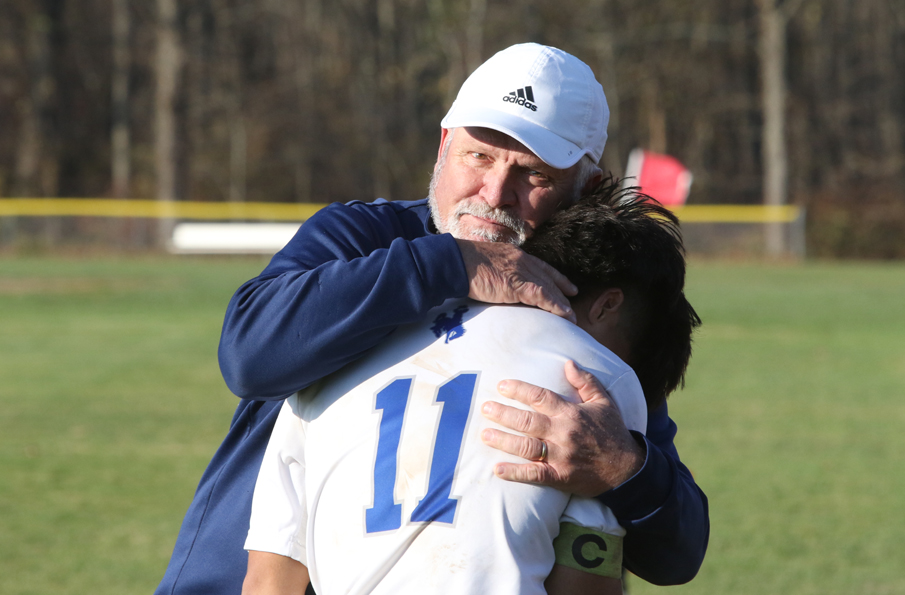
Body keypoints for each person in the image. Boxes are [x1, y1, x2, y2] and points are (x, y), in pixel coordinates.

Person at [155, 43, 708, 595]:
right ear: (444, 147)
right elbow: (250, 356)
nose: (495, 194)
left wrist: (622, 467)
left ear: (585, 190)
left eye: (532, 174)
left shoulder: (592, 315)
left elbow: (678, 551)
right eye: (479, 156)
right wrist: (452, 263)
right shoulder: (359, 238)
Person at [240, 180, 701, 595]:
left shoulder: (335, 356)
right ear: (608, 305)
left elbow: (267, 581)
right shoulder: (594, 387)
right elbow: (587, 585)